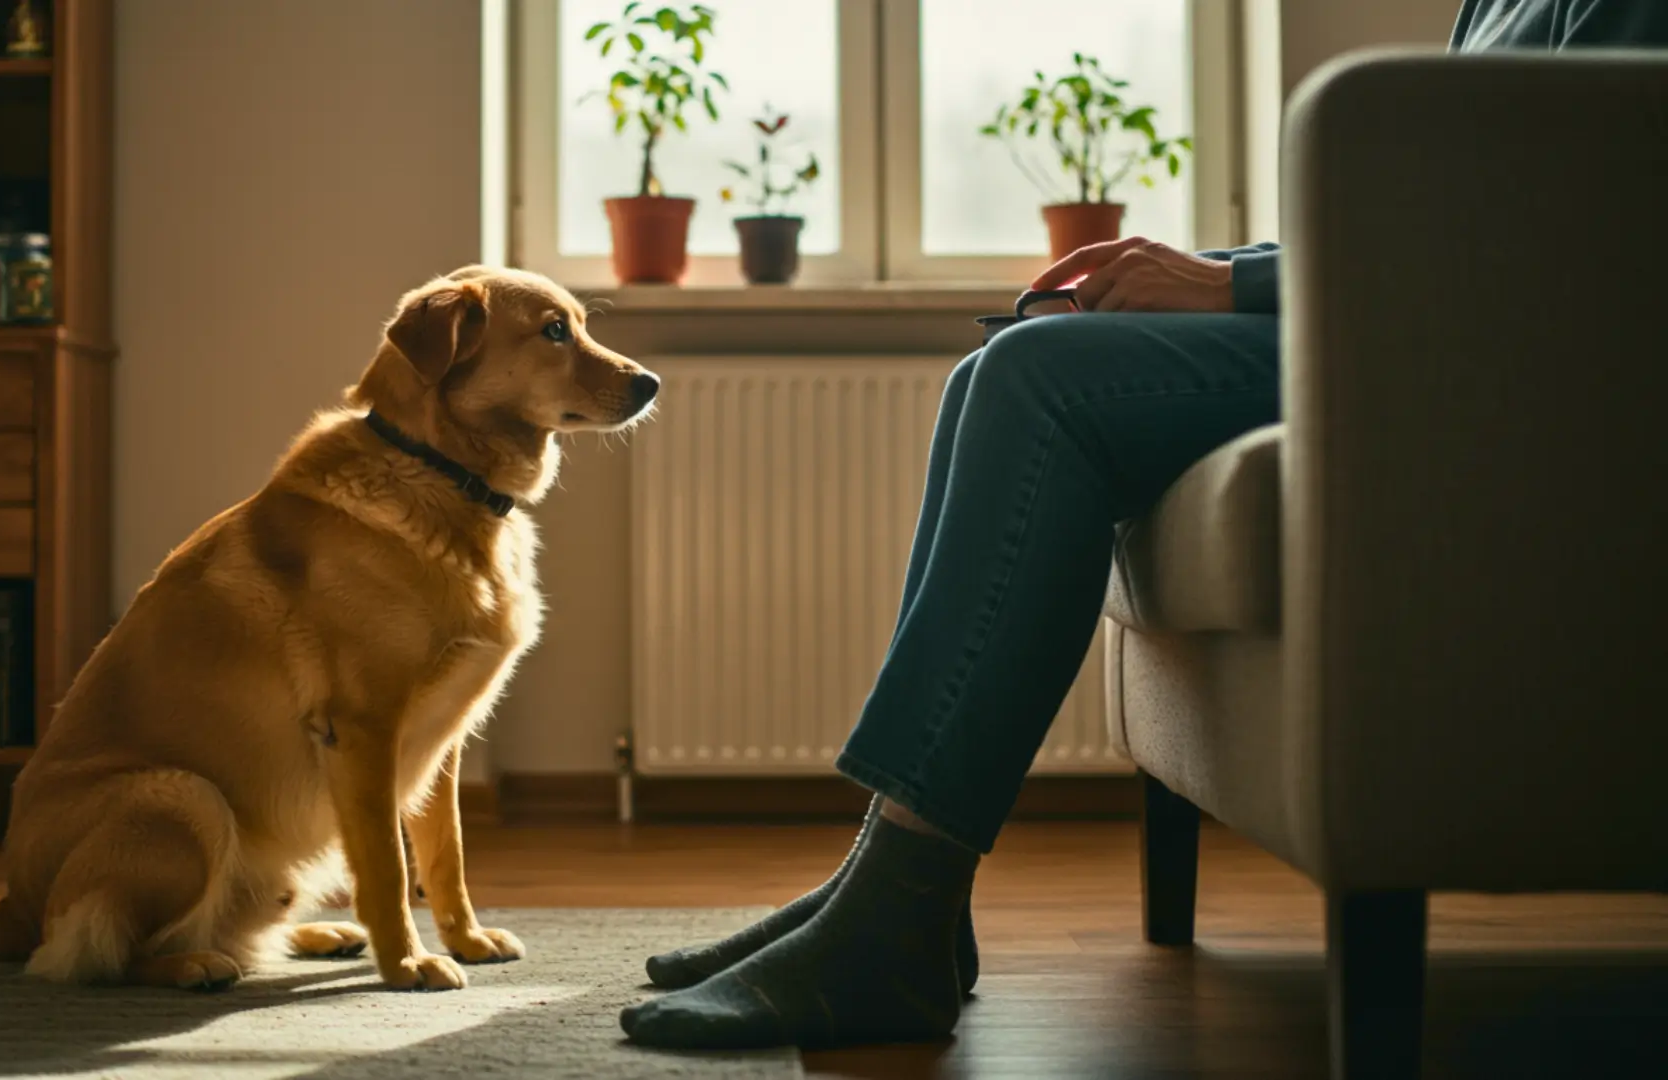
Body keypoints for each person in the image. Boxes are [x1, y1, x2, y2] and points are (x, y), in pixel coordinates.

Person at [620, 0, 1668, 1052]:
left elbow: (1582, 228)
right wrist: (1204, 271)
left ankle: (897, 907)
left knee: (1040, 383)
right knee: (996, 367)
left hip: (1494, 371)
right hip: (1413, 325)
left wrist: (1237, 283)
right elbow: (1433, 223)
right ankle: (895, 886)